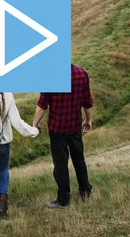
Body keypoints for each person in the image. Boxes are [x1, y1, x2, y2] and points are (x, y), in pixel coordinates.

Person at [33, 63, 93, 209]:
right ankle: (85, 192)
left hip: (57, 128)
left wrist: (35, 123)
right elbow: (87, 101)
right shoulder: (81, 73)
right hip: (74, 126)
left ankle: (63, 200)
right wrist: (88, 120)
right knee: (79, 160)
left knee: (61, 165)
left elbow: (42, 105)